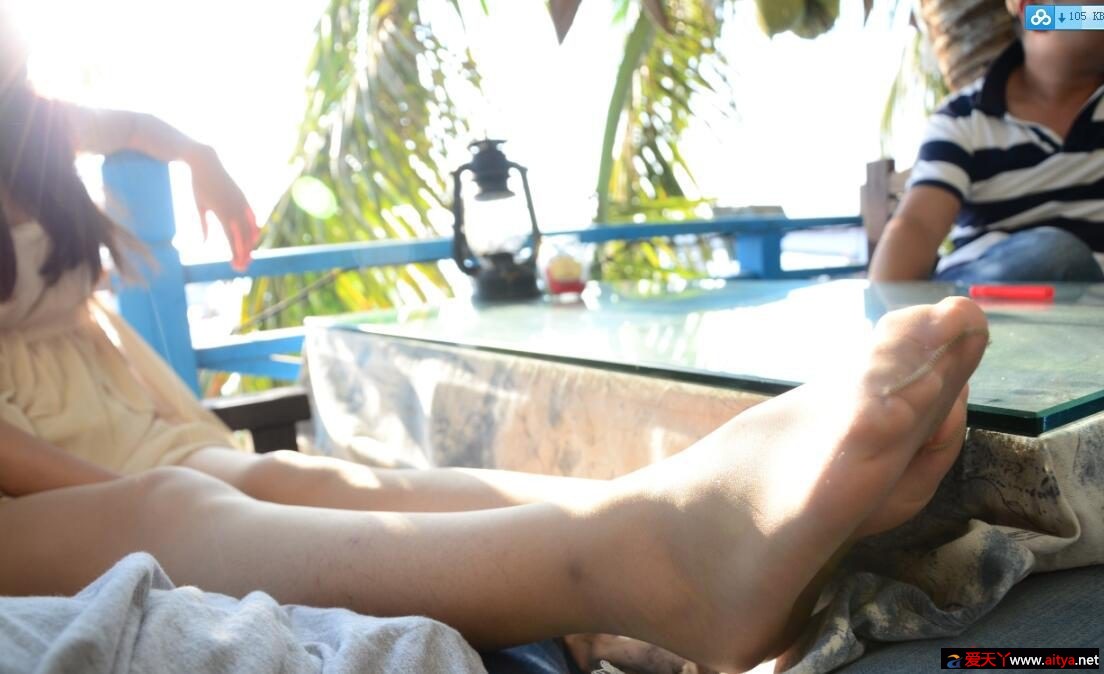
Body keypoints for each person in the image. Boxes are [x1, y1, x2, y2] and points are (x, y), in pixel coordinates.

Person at [0, 14, 992, 672]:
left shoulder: (29, 121)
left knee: (303, 476)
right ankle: (650, 565)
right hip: (32, 468)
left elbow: (137, 126)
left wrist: (202, 157)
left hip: (125, 410)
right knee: (173, 506)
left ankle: (664, 507)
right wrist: (108, 484)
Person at [869, 0, 1104, 283]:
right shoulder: (963, 118)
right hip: (980, 297)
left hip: (1092, 304)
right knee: (1057, 254)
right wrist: (887, 304)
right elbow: (917, 226)